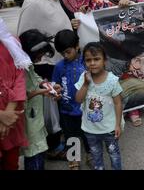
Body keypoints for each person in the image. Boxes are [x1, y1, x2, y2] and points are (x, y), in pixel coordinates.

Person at [17, 0, 70, 159]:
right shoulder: (34, 5)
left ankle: (54, 142)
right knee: (45, 107)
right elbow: (26, 39)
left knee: (54, 104)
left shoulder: (54, 1)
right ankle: (50, 147)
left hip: (57, 60)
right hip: (42, 64)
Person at [75, 42, 123, 170]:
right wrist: (85, 84)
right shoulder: (83, 78)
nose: (92, 63)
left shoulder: (112, 80)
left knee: (114, 155)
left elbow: (118, 103)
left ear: (104, 60)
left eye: (96, 59)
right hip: (90, 130)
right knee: (96, 156)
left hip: (109, 129)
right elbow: (78, 100)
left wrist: (118, 124)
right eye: (88, 60)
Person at [19, 29, 63, 170]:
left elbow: (35, 78)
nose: (41, 58)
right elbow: (21, 96)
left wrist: (47, 85)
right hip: (28, 118)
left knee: (39, 149)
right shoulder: (19, 69)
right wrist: (41, 92)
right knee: (34, 153)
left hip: (36, 117)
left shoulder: (28, 65)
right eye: (39, 55)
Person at [52, 30, 91, 170]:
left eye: (68, 51)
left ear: (77, 46)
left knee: (88, 134)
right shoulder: (59, 67)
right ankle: (73, 158)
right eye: (62, 53)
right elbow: (54, 85)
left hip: (86, 108)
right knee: (70, 135)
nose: (65, 56)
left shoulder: (87, 62)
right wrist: (55, 91)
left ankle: (90, 154)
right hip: (67, 109)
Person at [0, 18, 29, 170]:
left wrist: (9, 112)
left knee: (11, 162)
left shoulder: (11, 42)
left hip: (12, 118)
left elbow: (19, 76)